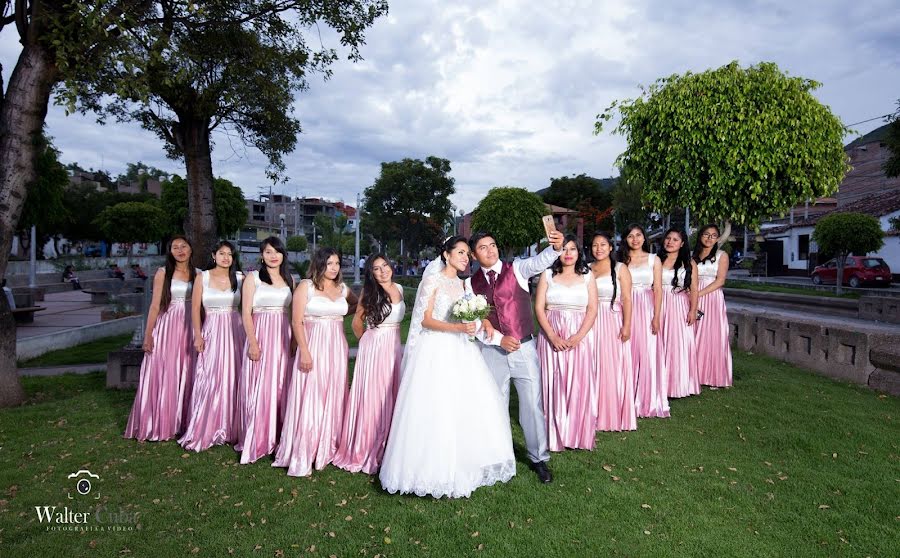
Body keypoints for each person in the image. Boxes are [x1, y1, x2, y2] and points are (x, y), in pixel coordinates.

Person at [379, 236, 515, 498]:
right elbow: (425, 320)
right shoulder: (433, 280)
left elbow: (474, 314)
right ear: (446, 254)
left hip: (462, 349)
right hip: (436, 349)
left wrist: (481, 322)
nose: (466, 258)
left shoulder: (463, 285)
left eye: (467, 254)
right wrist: (456, 327)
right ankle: (430, 468)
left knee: (464, 405)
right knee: (437, 405)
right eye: (461, 252)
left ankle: (465, 460)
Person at [466, 229, 562, 483]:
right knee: (496, 404)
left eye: (493, 245)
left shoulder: (517, 269)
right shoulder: (470, 283)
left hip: (524, 348)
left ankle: (538, 458)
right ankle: (500, 456)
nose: (490, 250)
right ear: (475, 254)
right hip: (491, 351)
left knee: (531, 405)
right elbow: (475, 322)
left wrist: (555, 248)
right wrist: (498, 339)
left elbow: (539, 261)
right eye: (483, 248)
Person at [273, 248, 353, 477]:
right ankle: (305, 449)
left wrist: (341, 315)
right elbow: (297, 322)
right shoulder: (305, 287)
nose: (334, 268)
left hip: (337, 347)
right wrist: (305, 352)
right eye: (329, 263)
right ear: (319, 264)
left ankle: (328, 446)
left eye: (337, 263)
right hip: (313, 346)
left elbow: (356, 306)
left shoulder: (343, 289)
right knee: (312, 395)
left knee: (334, 394)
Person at [333, 254, 405, 474]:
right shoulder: (369, 292)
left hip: (394, 347)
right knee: (375, 396)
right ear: (371, 273)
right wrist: (366, 340)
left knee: (392, 395)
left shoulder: (400, 288)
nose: (383, 271)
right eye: (376, 268)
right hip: (374, 348)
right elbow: (356, 321)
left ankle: (390, 447)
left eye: (385, 266)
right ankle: (367, 445)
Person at [124, 235, 196, 441]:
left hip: (191, 325)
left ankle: (186, 421)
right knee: (167, 371)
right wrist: (148, 335)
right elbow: (155, 306)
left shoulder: (199, 274)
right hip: (169, 325)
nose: (180, 250)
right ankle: (162, 421)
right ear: (170, 251)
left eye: (184, 246)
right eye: (175, 247)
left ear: (191, 249)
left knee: (189, 370)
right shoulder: (163, 273)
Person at [179, 241, 245, 452]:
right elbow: (195, 309)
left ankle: (233, 428)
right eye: (222, 253)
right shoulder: (203, 277)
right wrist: (198, 335)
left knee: (234, 377)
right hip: (212, 331)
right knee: (210, 377)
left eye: (230, 254)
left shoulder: (241, 278)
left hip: (236, 330)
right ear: (214, 255)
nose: (226, 257)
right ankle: (207, 425)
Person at [535, 235, 598, 451]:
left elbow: (592, 309)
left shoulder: (588, 276)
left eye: (572, 249)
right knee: (554, 381)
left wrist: (578, 337)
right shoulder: (547, 275)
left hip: (580, 334)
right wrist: (552, 336)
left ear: (579, 252)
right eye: (563, 249)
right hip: (552, 332)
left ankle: (577, 432)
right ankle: (554, 432)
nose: (568, 253)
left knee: (579, 382)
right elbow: (539, 308)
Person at [236, 237, 294, 463]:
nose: (273, 256)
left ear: (282, 255)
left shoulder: (289, 279)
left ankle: (280, 435)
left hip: (283, 336)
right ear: (262, 255)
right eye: (268, 252)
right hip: (260, 334)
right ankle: (258, 436)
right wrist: (252, 342)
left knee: (282, 384)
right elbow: (245, 312)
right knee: (261, 386)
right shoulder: (252, 279)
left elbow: (292, 313)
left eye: (276, 251)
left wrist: (294, 341)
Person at [590, 232, 637, 432]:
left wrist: (626, 325)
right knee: (591, 365)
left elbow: (627, 298)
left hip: (610, 320)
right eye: (594, 245)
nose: (599, 248)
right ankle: (590, 410)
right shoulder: (586, 269)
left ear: (610, 247)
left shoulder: (620, 268)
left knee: (610, 365)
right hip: (589, 321)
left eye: (603, 244)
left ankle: (610, 411)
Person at [622, 224, 669, 419]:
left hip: (646, 307)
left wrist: (656, 316)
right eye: (631, 235)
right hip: (624, 307)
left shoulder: (654, 260)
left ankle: (647, 398)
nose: (635, 239)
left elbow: (658, 289)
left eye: (638, 235)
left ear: (644, 237)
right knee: (626, 350)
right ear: (625, 239)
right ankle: (625, 396)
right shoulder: (620, 260)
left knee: (647, 350)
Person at [658, 228, 700, 398]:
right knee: (659, 343)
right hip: (658, 304)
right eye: (668, 238)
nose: (670, 242)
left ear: (682, 243)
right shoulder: (656, 260)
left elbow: (695, 289)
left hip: (678, 305)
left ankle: (677, 385)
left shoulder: (689, 263)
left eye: (675, 239)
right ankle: (658, 383)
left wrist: (693, 310)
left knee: (677, 344)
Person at [693, 224, 733, 388]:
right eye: (706, 234)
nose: (709, 238)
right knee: (693, 335)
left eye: (714, 235)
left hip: (711, 298)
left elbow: (720, 281)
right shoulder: (691, 255)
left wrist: (699, 295)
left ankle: (713, 375)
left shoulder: (721, 255)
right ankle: (693, 373)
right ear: (700, 236)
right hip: (692, 296)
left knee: (711, 335)